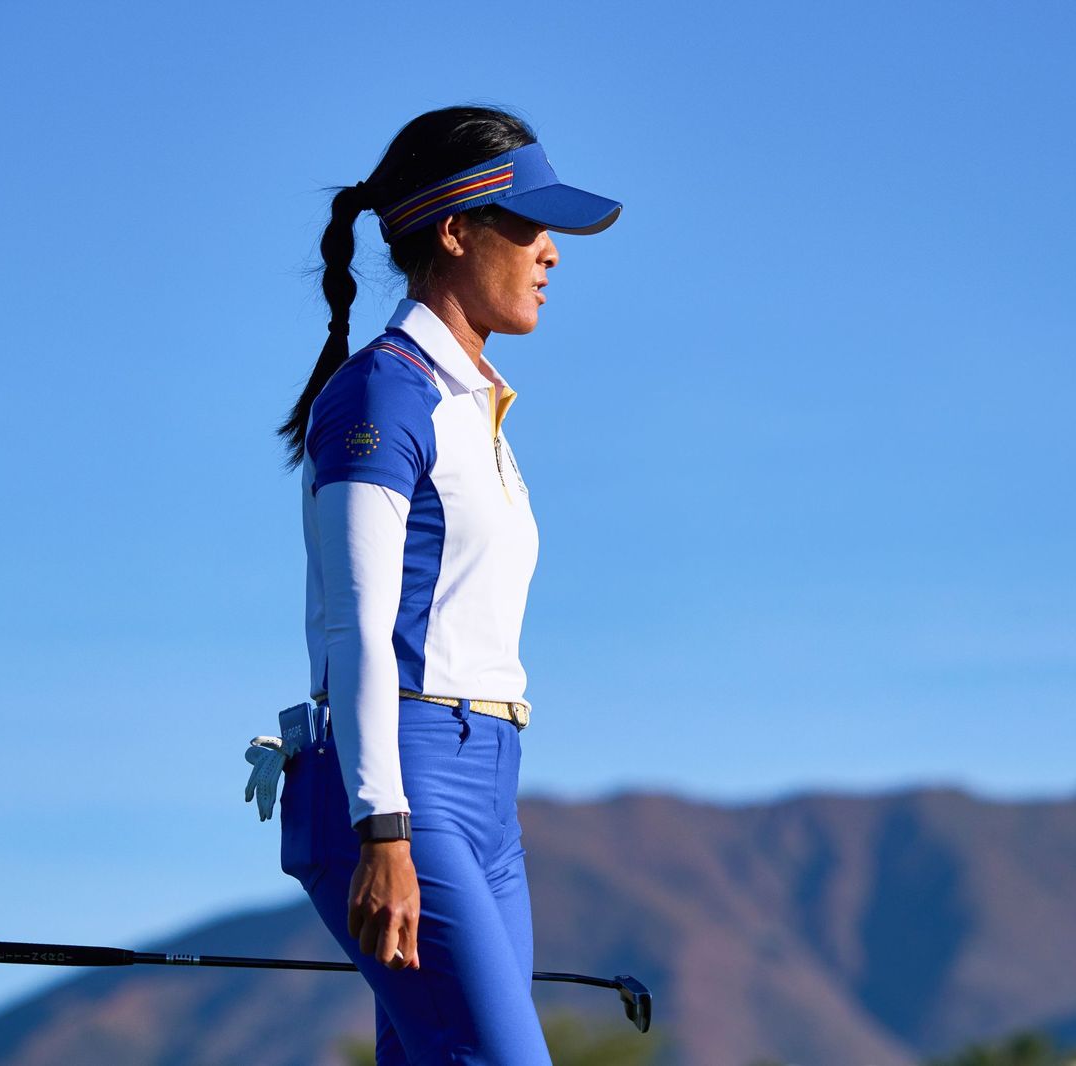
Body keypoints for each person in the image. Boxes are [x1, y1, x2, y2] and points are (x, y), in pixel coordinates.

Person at [269, 106, 621, 1065]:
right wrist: (382, 829)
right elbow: (357, 629)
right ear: (455, 230)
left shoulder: (476, 404)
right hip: (401, 789)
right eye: (527, 225)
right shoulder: (385, 392)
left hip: (487, 792)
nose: (551, 252)